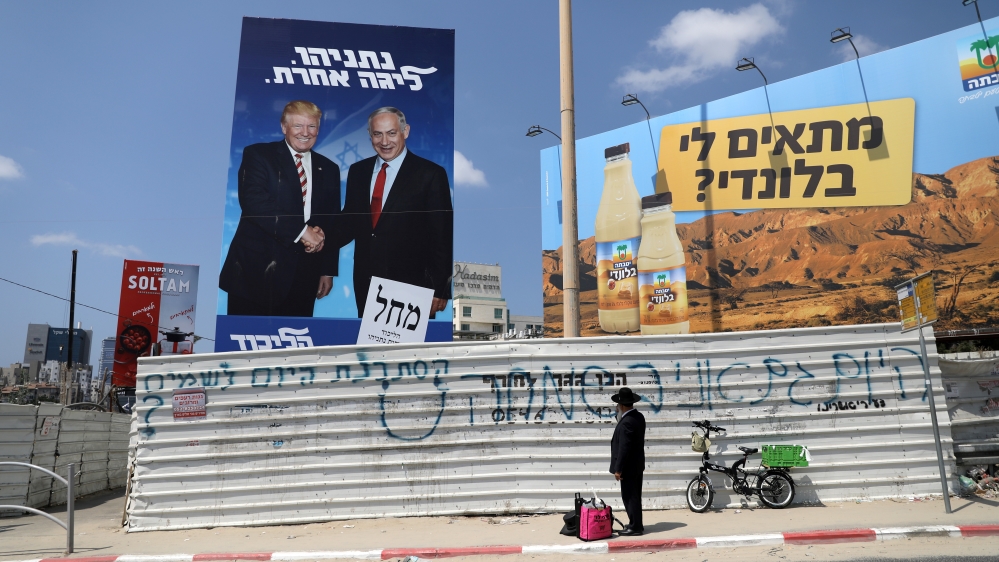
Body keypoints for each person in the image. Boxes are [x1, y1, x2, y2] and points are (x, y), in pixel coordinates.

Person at [220, 100, 341, 317]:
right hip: (254, 275)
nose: (305, 132)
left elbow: (331, 220)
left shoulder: (330, 169)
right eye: (298, 126)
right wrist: (304, 233)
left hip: (304, 276)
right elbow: (254, 203)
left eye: (312, 126)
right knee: (245, 344)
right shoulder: (258, 155)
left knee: (293, 347)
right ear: (284, 127)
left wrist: (327, 270)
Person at [340, 107, 453, 317]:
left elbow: (442, 236)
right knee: (369, 350)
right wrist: (312, 235)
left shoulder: (431, 174)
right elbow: (349, 223)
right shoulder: (358, 172)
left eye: (391, 133)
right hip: (366, 283)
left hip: (413, 287)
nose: (384, 141)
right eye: (377, 134)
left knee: (408, 351)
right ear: (369, 135)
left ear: (405, 131)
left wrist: (439, 289)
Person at [610, 387, 646, 536]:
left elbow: (624, 448)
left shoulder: (626, 422)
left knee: (630, 497)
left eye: (618, 405)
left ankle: (635, 527)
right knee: (635, 496)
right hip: (637, 465)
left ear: (622, 405)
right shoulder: (639, 417)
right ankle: (636, 523)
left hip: (628, 467)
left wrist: (618, 469)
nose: (617, 408)